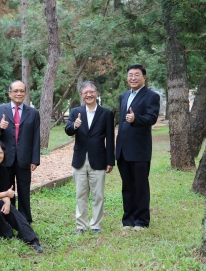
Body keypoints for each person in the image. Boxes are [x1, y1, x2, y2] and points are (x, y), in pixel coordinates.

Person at [0, 140, 43, 253]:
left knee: (11, 210)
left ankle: (32, 238)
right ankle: (6, 231)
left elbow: (6, 190)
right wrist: (5, 195)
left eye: (0, 153)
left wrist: (8, 202)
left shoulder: (3, 170)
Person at [65, 81, 115, 234]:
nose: (89, 94)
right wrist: (75, 125)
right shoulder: (75, 112)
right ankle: (81, 225)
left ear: (96, 93)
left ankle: (96, 225)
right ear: (81, 95)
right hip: (79, 159)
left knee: (98, 194)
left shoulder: (106, 113)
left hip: (98, 159)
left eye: (91, 91)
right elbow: (68, 130)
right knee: (81, 194)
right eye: (85, 92)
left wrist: (110, 160)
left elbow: (110, 138)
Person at [116, 64, 160, 232]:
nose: (133, 78)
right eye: (130, 75)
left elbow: (152, 118)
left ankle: (142, 220)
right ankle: (128, 219)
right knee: (127, 186)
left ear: (144, 77)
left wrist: (136, 119)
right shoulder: (123, 96)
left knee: (140, 186)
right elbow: (121, 123)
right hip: (122, 150)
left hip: (140, 150)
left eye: (136, 75)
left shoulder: (151, 96)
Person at [0, 80, 40, 224]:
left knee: (24, 190)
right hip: (4, 159)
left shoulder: (33, 113)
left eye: (22, 91)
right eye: (15, 91)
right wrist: (0, 126)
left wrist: (35, 159)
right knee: (7, 190)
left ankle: (25, 220)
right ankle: (10, 219)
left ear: (25, 93)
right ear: (9, 93)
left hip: (25, 158)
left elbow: (36, 137)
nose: (19, 93)